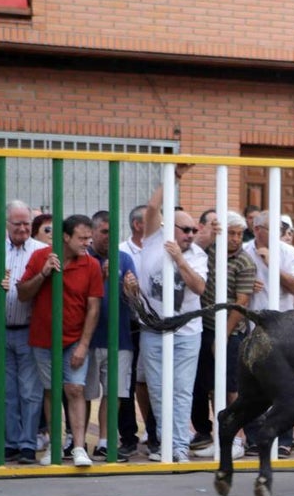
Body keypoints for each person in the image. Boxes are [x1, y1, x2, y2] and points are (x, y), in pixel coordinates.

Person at [124, 166, 208, 463]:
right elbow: (151, 207)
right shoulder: (152, 239)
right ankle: (166, 444)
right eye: (185, 229)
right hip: (154, 330)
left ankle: (181, 448)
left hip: (187, 333)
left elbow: (198, 288)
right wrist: (173, 177)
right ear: (169, 227)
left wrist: (179, 259)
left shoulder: (197, 255)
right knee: (158, 391)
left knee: (182, 391)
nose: (190, 234)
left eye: (194, 230)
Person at [18, 214, 104, 467]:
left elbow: (93, 308)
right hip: (44, 339)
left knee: (75, 389)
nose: (87, 243)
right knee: (51, 390)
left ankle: (78, 447)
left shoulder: (91, 266)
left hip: (75, 339)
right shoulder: (40, 257)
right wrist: (44, 274)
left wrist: (84, 344)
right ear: (66, 237)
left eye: (90, 237)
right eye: (82, 238)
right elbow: (22, 293)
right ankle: (55, 445)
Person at [190, 211, 255, 457]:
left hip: (231, 333)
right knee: (210, 386)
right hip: (204, 327)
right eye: (231, 233)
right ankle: (218, 436)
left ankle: (238, 438)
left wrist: (223, 336)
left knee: (231, 387)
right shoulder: (210, 253)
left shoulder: (245, 262)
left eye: (239, 234)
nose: (236, 239)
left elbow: (242, 302)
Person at [241, 209, 294, 458]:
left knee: (286, 384)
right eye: (272, 229)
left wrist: (272, 266)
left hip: (284, 330)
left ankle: (284, 440)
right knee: (254, 384)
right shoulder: (245, 252)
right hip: (252, 327)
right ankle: (255, 438)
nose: (278, 234)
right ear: (257, 230)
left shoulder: (288, 253)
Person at [85, 210, 138, 462]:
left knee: (114, 393)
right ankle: (77, 440)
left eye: (112, 232)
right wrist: (99, 278)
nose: (108, 237)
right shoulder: (83, 259)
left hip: (120, 339)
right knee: (83, 392)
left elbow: (134, 299)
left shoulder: (124, 259)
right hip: (87, 338)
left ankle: (106, 441)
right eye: (104, 231)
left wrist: (131, 290)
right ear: (93, 232)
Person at [0, 200, 43, 464]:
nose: (23, 228)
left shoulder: (41, 250)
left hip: (29, 329)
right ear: (6, 225)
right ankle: (10, 442)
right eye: (18, 223)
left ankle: (28, 443)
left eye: (27, 223)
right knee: (6, 391)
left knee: (30, 391)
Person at [119, 204, 156, 457]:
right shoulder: (122, 251)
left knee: (152, 381)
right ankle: (128, 437)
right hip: (128, 324)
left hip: (154, 325)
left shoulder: (159, 249)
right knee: (126, 383)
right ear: (137, 225)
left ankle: (155, 434)